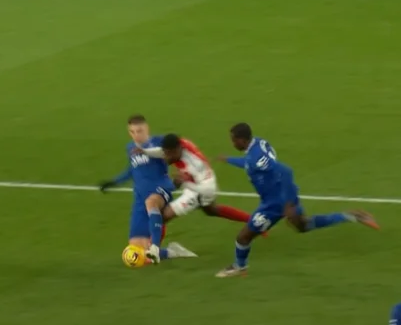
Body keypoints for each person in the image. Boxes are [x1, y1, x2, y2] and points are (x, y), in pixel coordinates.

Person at [215, 123, 378, 278]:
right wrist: (229, 160)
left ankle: (239, 267)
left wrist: (288, 205)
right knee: (303, 225)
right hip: (287, 194)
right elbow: (250, 163)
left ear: (242, 140)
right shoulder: (258, 143)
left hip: (275, 204)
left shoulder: (255, 158)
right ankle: (352, 216)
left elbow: (285, 171)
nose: (232, 143)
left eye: (234, 140)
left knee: (243, 237)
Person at [99, 115, 197, 263]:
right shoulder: (130, 148)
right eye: (132, 132)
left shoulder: (158, 142)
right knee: (137, 254)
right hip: (139, 197)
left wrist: (185, 173)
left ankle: (155, 248)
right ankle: (173, 252)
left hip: (160, 189)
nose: (136, 135)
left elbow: (180, 148)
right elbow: (131, 170)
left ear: (147, 129)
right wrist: (113, 182)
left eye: (139, 131)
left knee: (151, 202)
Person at [136, 133, 261, 229]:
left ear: (177, 150)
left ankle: (152, 250)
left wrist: (184, 183)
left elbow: (208, 190)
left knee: (164, 216)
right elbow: (162, 151)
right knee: (212, 210)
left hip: (202, 188)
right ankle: (254, 222)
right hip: (194, 182)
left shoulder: (195, 164)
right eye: (166, 153)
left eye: (169, 154)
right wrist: (145, 152)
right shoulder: (179, 146)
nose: (166, 157)